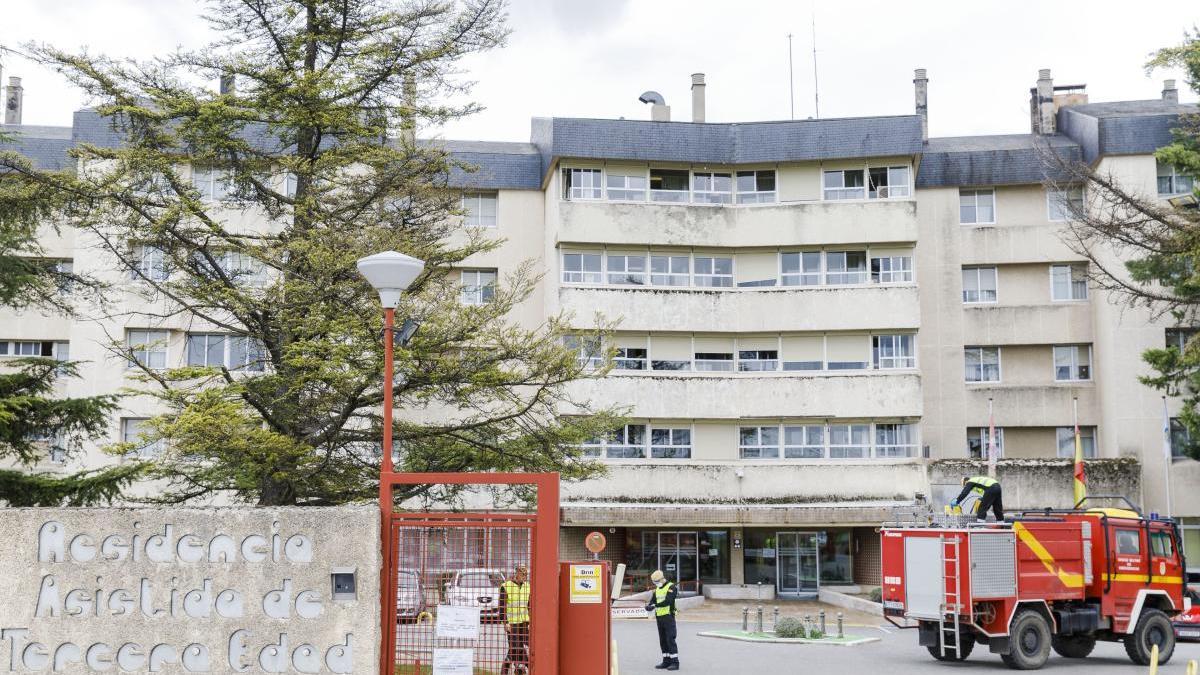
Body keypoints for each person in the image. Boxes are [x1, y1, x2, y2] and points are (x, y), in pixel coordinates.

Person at [644, 569, 679, 670]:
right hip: (659, 617)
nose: (655, 584)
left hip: (668, 616)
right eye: (654, 582)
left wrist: (655, 606)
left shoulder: (671, 587)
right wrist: (649, 605)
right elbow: (653, 600)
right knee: (663, 640)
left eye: (656, 582)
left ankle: (675, 662)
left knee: (670, 639)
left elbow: (668, 601)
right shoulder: (657, 589)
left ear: (661, 579)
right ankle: (666, 661)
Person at [499, 565, 530, 675]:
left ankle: (514, 666)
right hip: (512, 623)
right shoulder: (506, 586)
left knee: (518, 646)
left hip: (525, 622)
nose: (524, 577)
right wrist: (505, 622)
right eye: (522, 574)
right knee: (516, 645)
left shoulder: (527, 586)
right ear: (516, 573)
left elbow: (529, 605)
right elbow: (502, 607)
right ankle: (522, 667)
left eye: (526, 574)